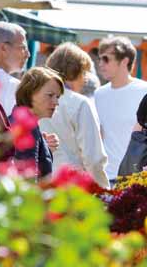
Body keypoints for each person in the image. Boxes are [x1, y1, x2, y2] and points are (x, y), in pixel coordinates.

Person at [40, 43, 109, 188]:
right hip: (73, 186)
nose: (85, 79)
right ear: (74, 71)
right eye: (84, 73)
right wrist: (104, 190)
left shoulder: (35, 98)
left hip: (41, 183)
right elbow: (93, 158)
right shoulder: (80, 103)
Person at [94, 36, 147, 181]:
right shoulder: (99, 94)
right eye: (100, 58)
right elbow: (99, 136)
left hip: (137, 176)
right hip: (106, 176)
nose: (100, 64)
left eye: (106, 59)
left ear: (125, 61)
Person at [12, 67, 64, 179]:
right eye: (50, 95)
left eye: (57, 97)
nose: (56, 102)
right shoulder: (26, 127)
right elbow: (27, 178)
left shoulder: (23, 122)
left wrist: (44, 148)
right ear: (30, 92)